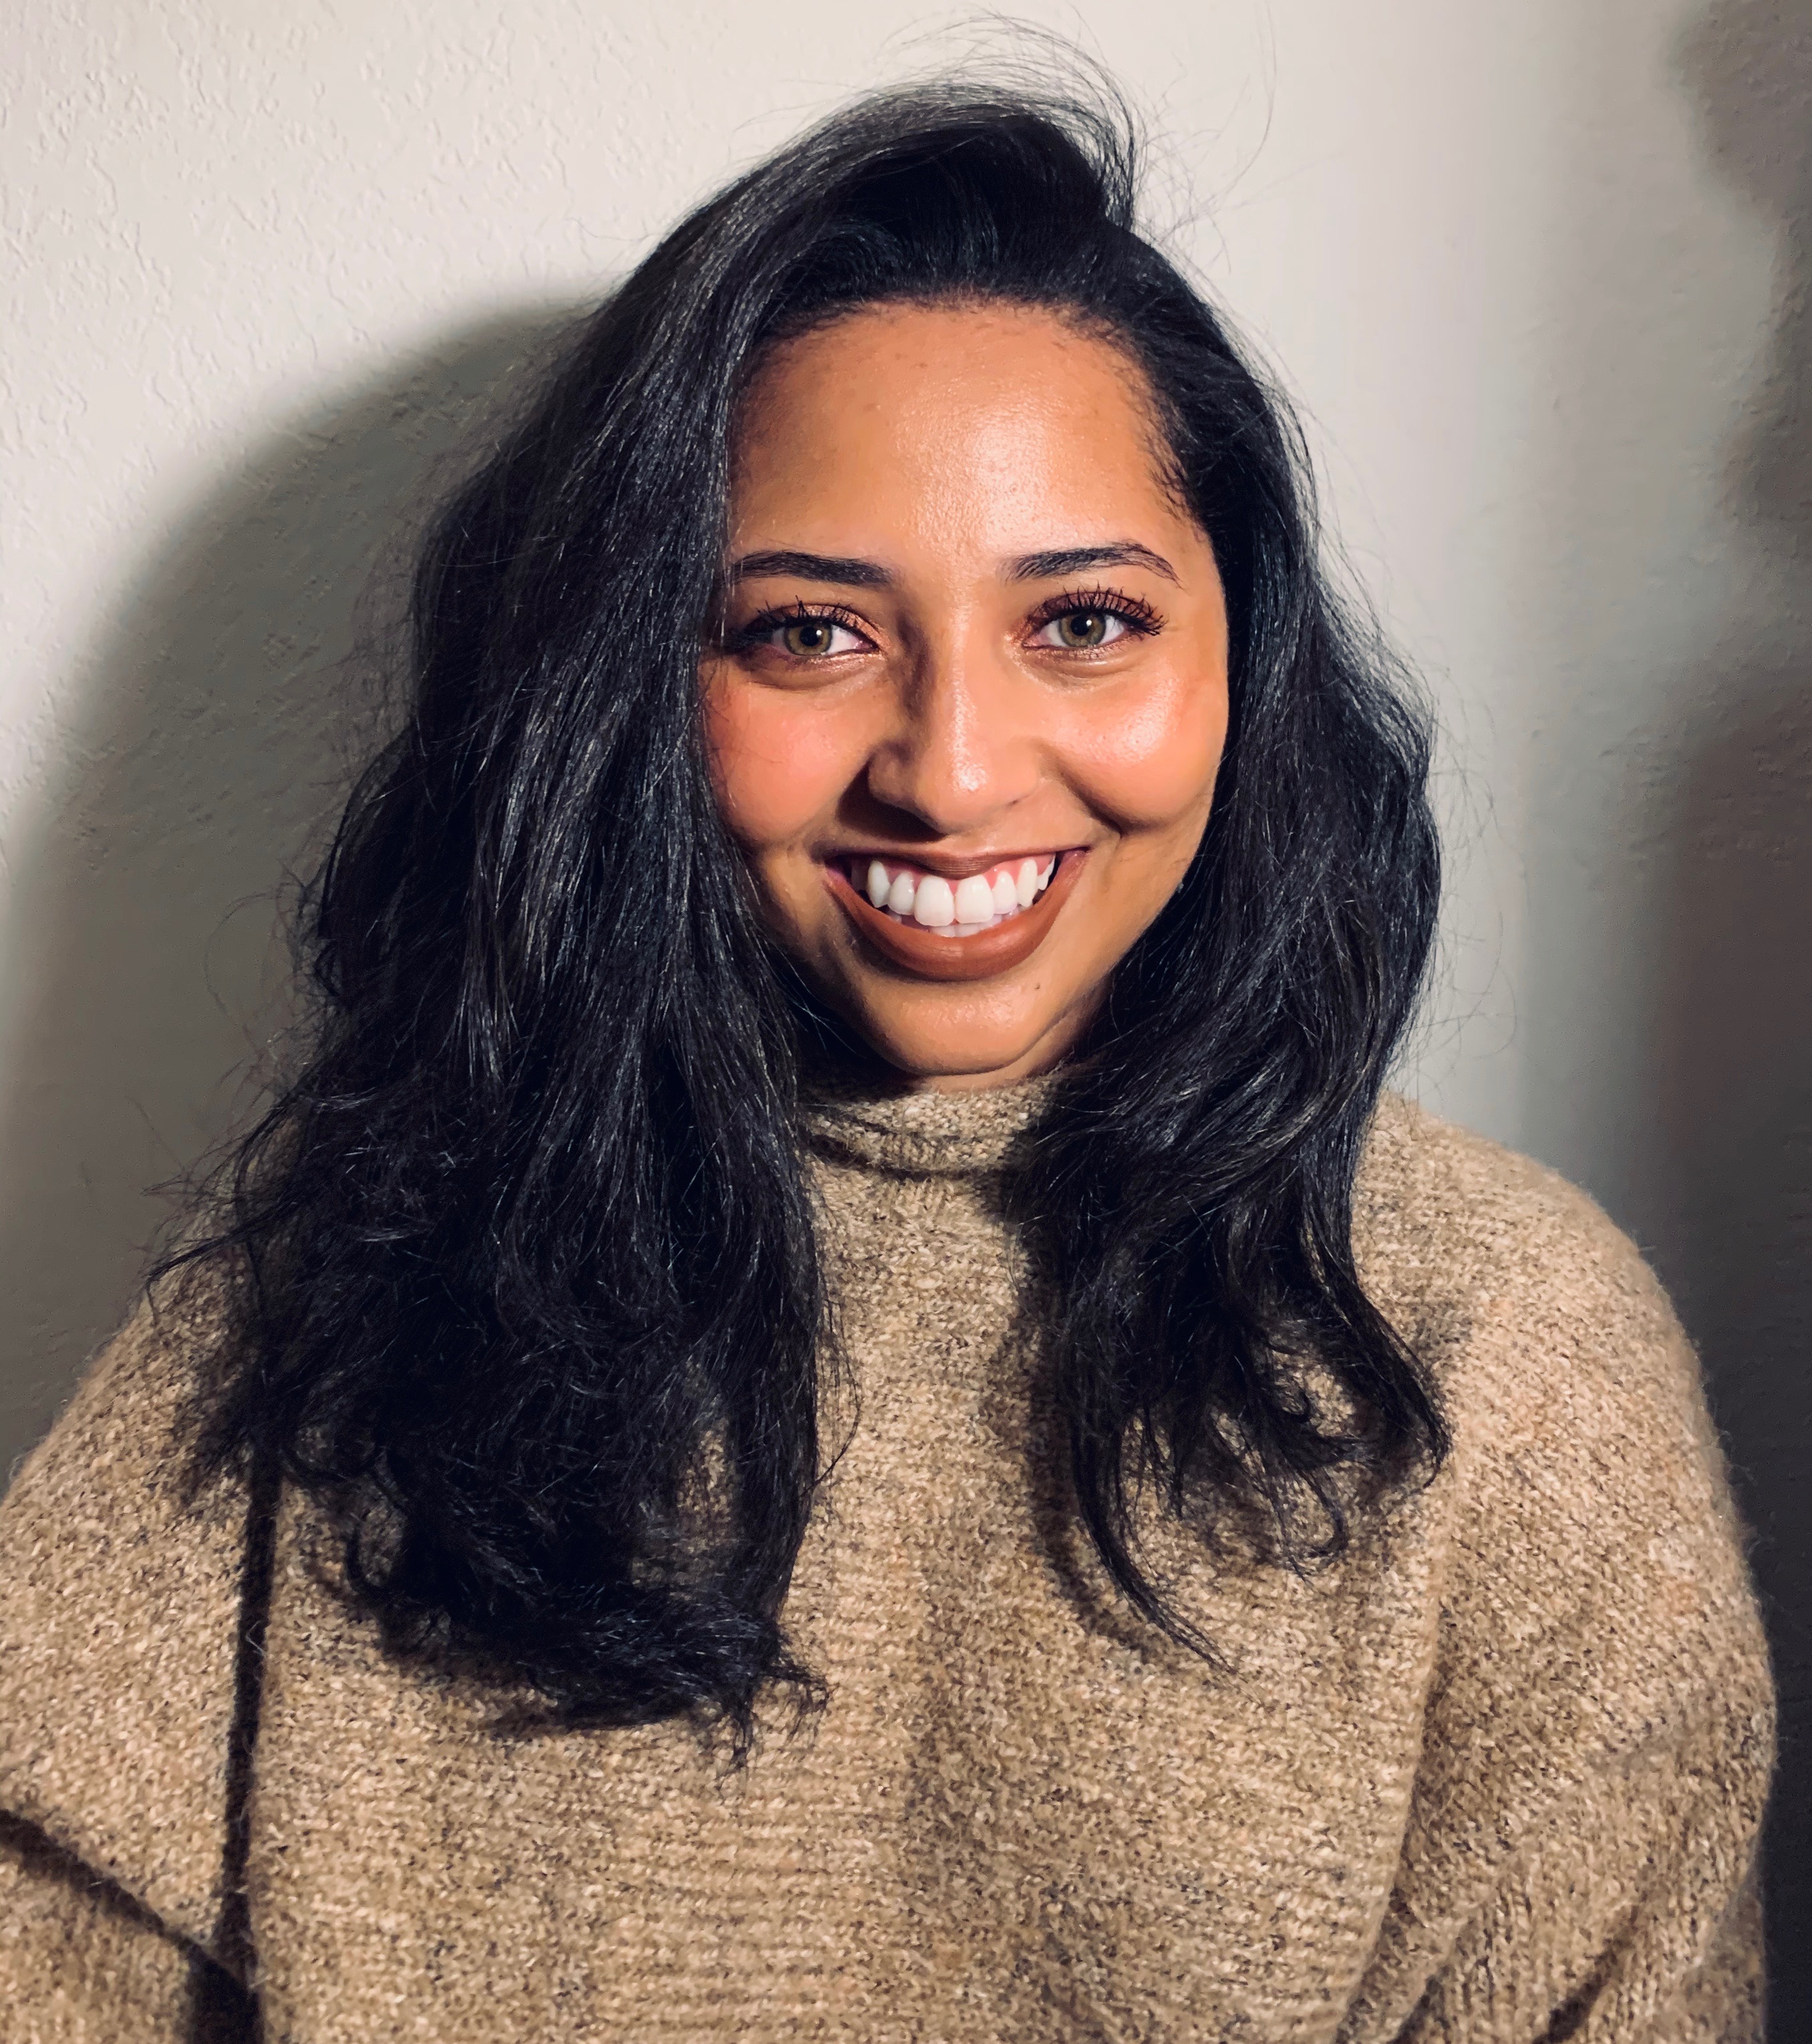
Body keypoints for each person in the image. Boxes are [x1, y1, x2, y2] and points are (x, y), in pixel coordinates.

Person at [0, 78, 1773, 2043]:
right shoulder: (329, 1292)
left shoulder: (1505, 1354)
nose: (950, 770)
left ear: (1242, 662)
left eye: (1084, 620)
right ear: (630, 684)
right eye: (808, 633)